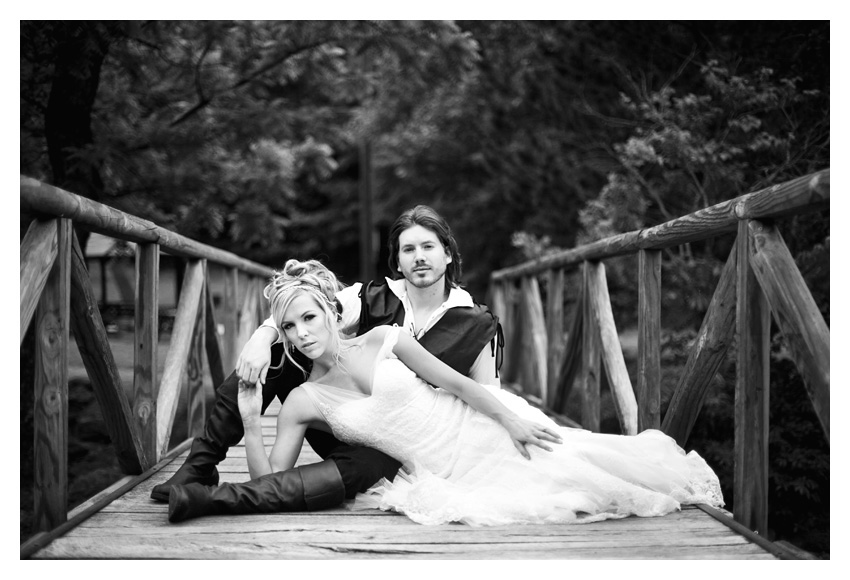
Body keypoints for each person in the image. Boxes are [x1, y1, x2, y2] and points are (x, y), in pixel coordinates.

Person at [167, 259, 724, 525]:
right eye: (288, 328)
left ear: (333, 311)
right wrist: (247, 415)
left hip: (478, 425)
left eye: (309, 318)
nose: (302, 334)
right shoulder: (301, 401)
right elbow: (271, 487)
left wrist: (510, 419)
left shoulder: (386, 337)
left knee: (591, 473)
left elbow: (455, 382)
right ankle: (197, 476)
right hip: (441, 470)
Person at [151, 205, 502, 514]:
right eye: (408, 249)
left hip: (411, 445)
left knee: (365, 464)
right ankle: (202, 461)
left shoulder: (477, 324)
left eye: (428, 247)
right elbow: (306, 308)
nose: (419, 257)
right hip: (348, 424)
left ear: (448, 254)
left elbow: (488, 399)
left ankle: (219, 498)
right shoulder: (368, 297)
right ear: (397, 260)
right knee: (276, 353)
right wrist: (262, 336)